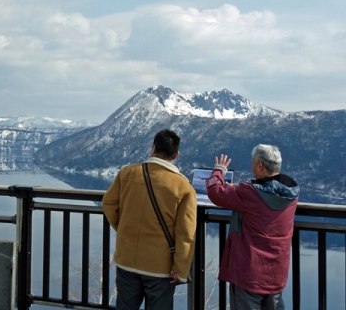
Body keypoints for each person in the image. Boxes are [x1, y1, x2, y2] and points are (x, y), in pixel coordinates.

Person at [102, 129, 197, 310]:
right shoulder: (183, 186)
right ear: (176, 154)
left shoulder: (127, 173)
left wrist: (123, 228)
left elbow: (108, 203)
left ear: (152, 148)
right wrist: (181, 269)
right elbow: (186, 233)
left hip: (126, 258)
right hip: (160, 266)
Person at [206, 144, 300, 310]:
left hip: (249, 273)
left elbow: (215, 192)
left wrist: (219, 170)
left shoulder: (250, 193)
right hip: (276, 273)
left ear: (260, 165)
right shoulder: (291, 195)